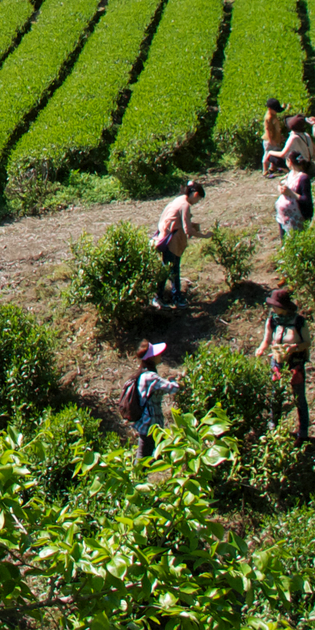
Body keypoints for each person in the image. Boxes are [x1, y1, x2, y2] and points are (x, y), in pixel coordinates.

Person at [254, 286, 311, 441]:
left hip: (295, 364)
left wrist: (294, 348)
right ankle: (274, 427)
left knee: (299, 397)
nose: (272, 307)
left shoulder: (299, 321)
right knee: (275, 396)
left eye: (275, 305)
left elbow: (307, 342)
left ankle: (303, 431)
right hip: (278, 363)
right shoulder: (272, 320)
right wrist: (260, 349)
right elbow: (266, 340)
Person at [152, 178, 204, 309]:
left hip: (164, 237)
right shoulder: (185, 204)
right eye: (197, 200)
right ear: (196, 195)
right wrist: (204, 235)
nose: (196, 203)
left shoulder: (179, 200)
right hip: (171, 241)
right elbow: (188, 230)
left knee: (169, 269)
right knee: (172, 270)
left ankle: (165, 297)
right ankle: (171, 298)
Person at [128, 340, 179, 458]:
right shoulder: (151, 377)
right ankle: (137, 476)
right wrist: (173, 380)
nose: (160, 355)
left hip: (147, 424)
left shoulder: (143, 375)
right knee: (143, 460)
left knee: (158, 453)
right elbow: (173, 388)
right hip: (150, 426)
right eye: (157, 354)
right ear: (151, 358)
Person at [284, 155, 314, 225]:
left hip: (298, 215)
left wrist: (291, 193)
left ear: (289, 161)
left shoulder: (303, 178)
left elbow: (307, 200)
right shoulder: (291, 174)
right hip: (285, 216)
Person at [261, 99, 287, 175]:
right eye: (275, 110)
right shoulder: (268, 117)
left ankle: (272, 168)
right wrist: (270, 139)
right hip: (270, 140)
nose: (276, 112)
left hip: (276, 138)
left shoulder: (273, 114)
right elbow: (267, 129)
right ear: (269, 109)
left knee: (276, 153)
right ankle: (265, 170)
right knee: (267, 154)